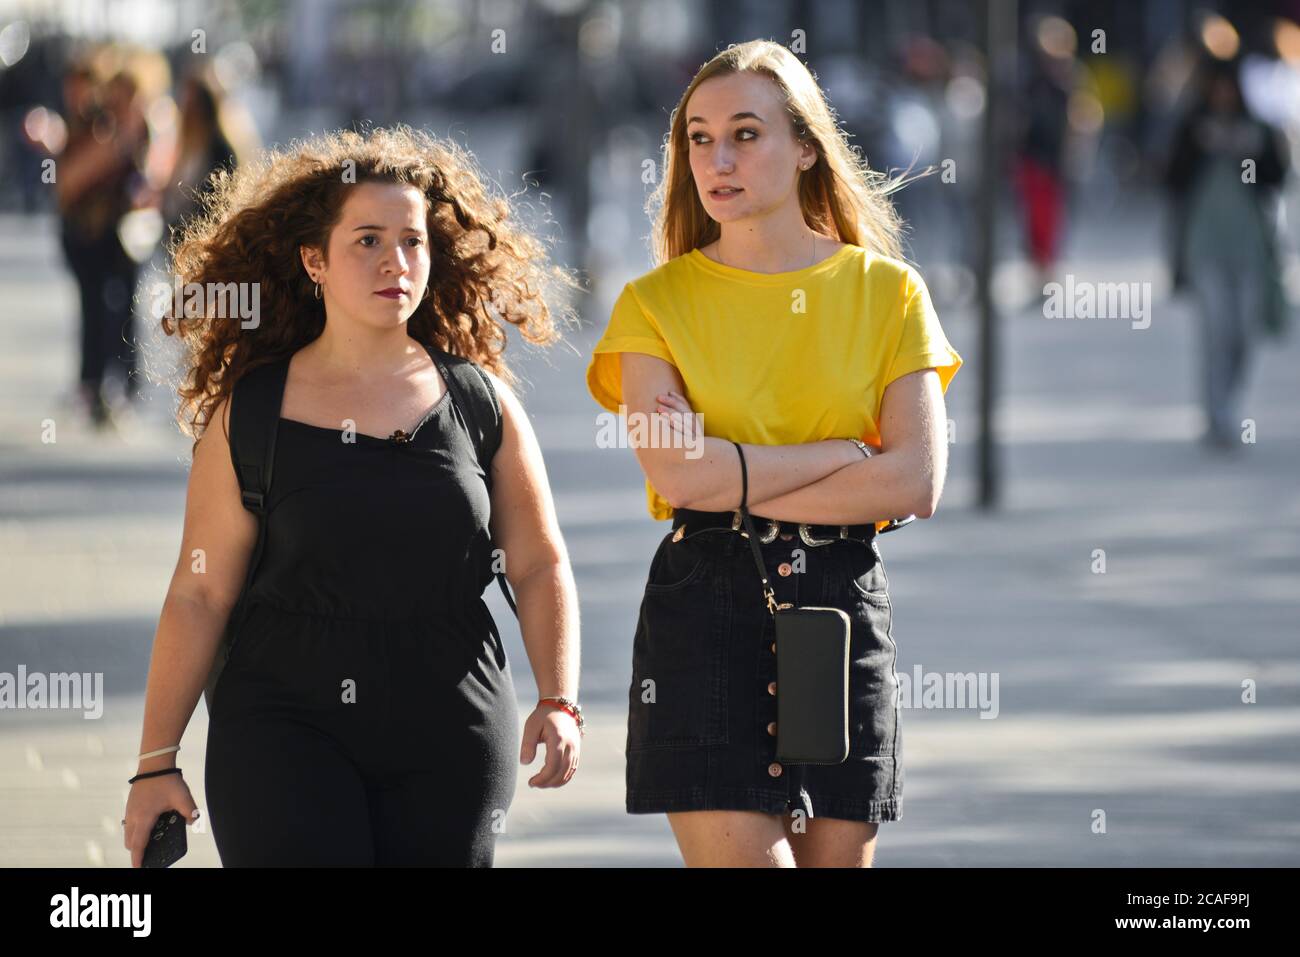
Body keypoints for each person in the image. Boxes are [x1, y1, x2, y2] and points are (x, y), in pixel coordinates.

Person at [123, 126, 583, 866]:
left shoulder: (479, 402)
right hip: (282, 722)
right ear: (315, 259)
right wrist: (155, 761)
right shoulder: (254, 410)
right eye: (366, 240)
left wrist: (559, 698)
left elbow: (539, 562)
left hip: (451, 724)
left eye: (411, 241)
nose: (394, 261)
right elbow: (199, 595)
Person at [585, 40, 962, 867]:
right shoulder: (652, 306)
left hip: (840, 605)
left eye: (746, 135)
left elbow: (914, 480)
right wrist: (839, 456)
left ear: (805, 149)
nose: (716, 160)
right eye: (698, 137)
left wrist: (736, 474)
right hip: (704, 602)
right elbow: (681, 475)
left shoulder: (888, 292)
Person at [1164, 55, 1290, 450]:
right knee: (1216, 330)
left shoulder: (1258, 129)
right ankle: (1217, 414)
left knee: (1242, 331)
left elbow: (1275, 178)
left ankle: (1229, 402)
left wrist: (1247, 151)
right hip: (1206, 245)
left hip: (1249, 246)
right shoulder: (1192, 128)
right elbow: (1172, 181)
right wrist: (1202, 148)